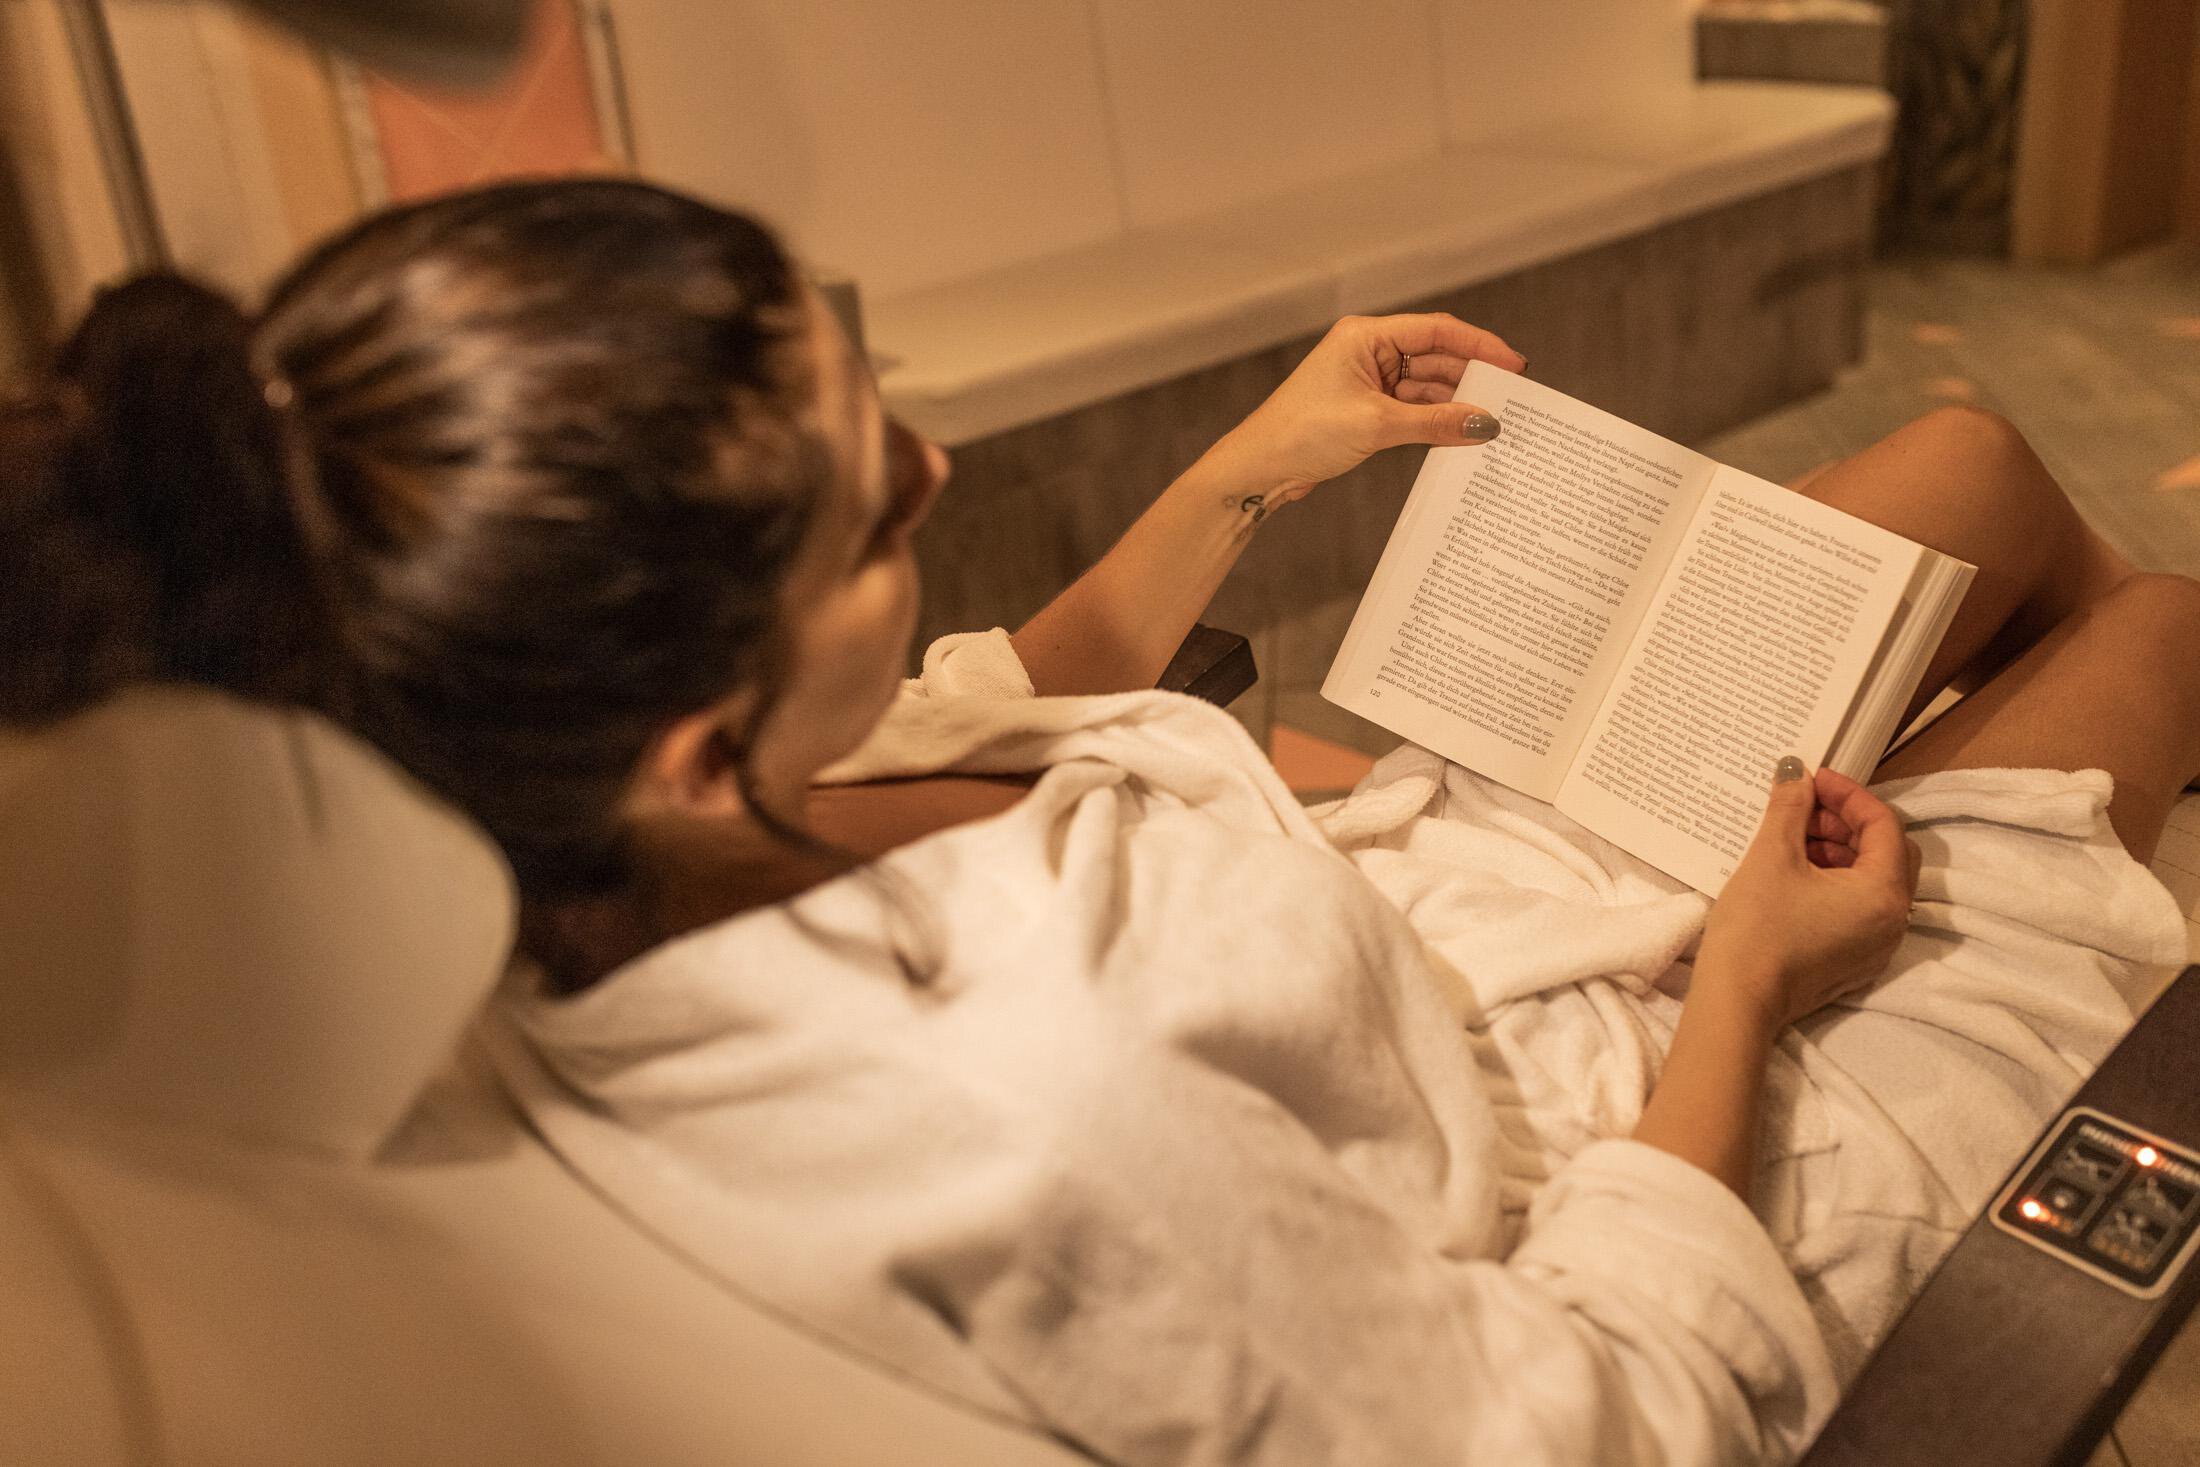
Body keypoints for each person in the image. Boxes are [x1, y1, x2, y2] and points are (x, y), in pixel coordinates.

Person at [6, 178, 2196, 1464]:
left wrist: (1252, 464)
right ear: (688, 739)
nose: (935, 472)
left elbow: (996, 708)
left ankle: (2078, 761)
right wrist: (1752, 980)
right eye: (874, 511)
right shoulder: (1031, 1118)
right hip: (1645, 1124)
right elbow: (1584, 1422)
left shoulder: (564, 798)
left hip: (1431, 908)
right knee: (2157, 625)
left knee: (1963, 467)